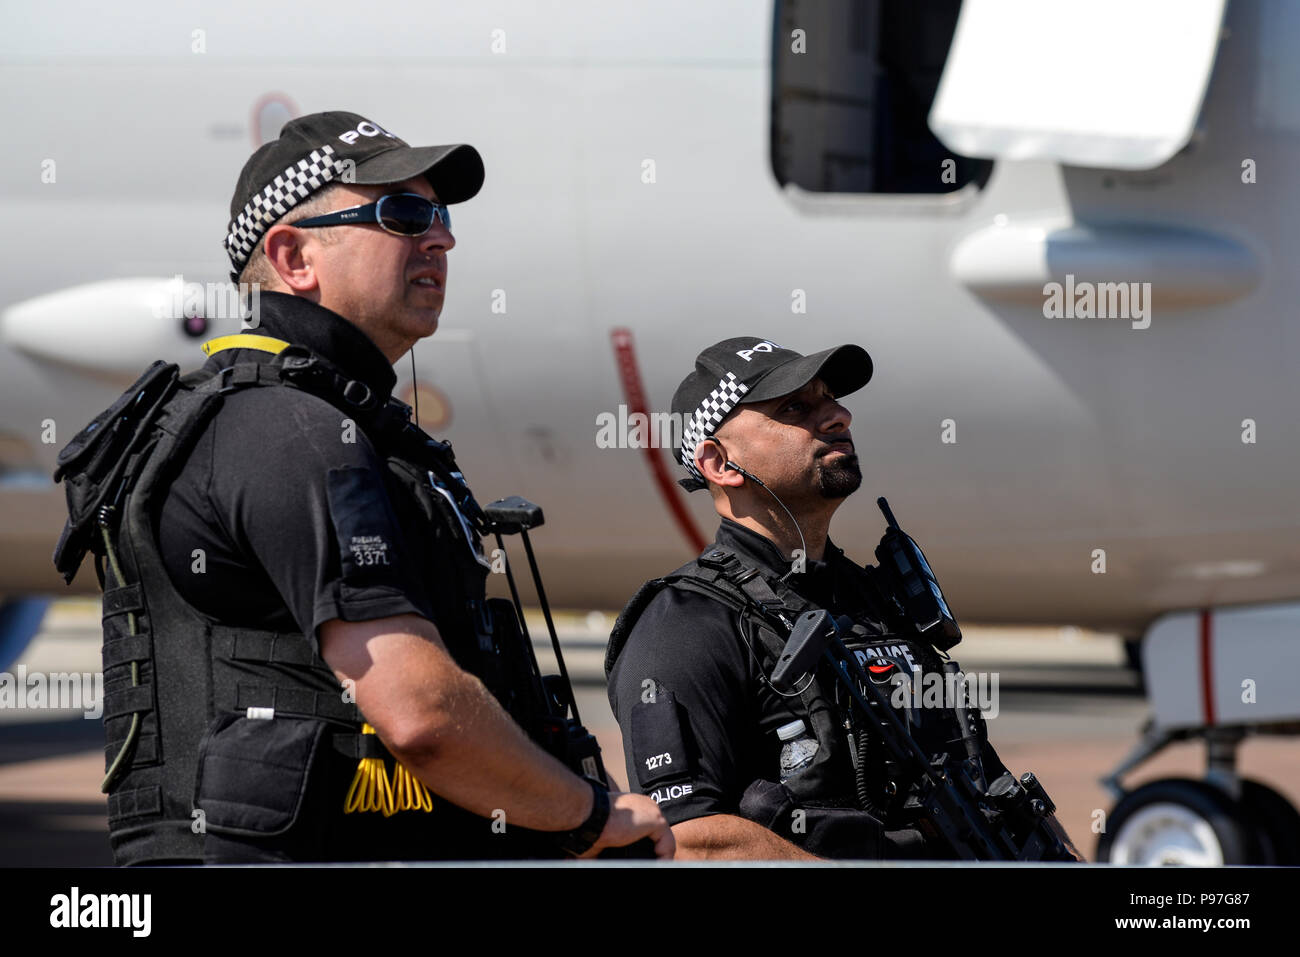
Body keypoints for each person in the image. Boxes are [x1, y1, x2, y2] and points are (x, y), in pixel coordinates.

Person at [52, 111, 672, 864]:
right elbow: (420, 715)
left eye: (439, 217)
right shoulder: (294, 430)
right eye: (402, 215)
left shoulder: (321, 423)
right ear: (294, 257)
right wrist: (588, 815)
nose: (441, 239)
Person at [605, 336, 1081, 861]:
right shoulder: (684, 625)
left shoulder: (877, 601)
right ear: (720, 464)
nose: (838, 416)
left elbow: (989, 784)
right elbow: (689, 840)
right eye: (794, 407)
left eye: (830, 398)